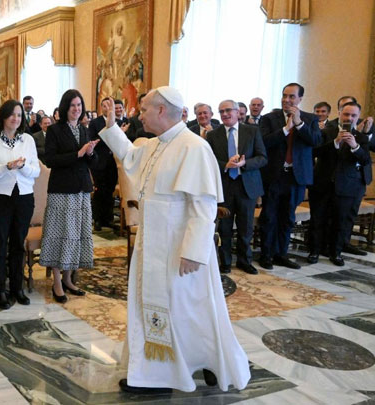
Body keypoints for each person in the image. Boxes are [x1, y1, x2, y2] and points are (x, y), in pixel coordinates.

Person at [97, 88, 250, 394]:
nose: (139, 115)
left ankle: (194, 365)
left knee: (187, 309)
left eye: (144, 110)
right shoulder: (156, 144)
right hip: (155, 241)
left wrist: (193, 251)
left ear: (161, 110)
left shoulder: (194, 147)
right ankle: (168, 370)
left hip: (180, 247)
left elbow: (203, 205)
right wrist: (111, 126)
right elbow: (130, 157)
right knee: (169, 308)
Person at [40, 89, 98, 302]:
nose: (76, 109)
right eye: (73, 105)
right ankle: (56, 282)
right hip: (62, 190)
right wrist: (78, 153)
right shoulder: (55, 130)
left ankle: (68, 279)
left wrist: (90, 153)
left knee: (75, 236)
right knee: (59, 235)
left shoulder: (84, 130)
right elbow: (51, 160)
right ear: (65, 107)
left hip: (81, 189)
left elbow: (93, 162)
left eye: (79, 105)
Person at [0, 100, 40, 309]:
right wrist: (7, 166)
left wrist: (22, 167)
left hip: (24, 197)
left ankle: (17, 287)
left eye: (19, 115)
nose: (16, 118)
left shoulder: (28, 140)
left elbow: (36, 171)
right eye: (12, 114)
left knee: (18, 244)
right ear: (3, 117)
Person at [258, 83, 321, 270]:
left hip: (296, 177)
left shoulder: (310, 119)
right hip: (274, 175)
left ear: (300, 99)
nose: (286, 100)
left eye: (291, 96)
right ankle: (266, 255)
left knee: (287, 218)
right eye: (284, 95)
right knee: (269, 217)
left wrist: (299, 124)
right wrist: (285, 129)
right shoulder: (269, 118)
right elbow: (263, 143)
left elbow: (316, 141)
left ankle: (281, 254)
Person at [206, 100, 267, 275]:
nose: (225, 114)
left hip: (246, 186)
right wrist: (226, 165)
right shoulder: (213, 135)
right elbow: (209, 160)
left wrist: (244, 163)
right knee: (224, 228)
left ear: (237, 112)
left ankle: (244, 261)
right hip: (224, 186)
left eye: (228, 110)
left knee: (245, 227)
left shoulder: (252, 131)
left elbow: (262, 158)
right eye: (221, 111)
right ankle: (225, 262)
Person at [308, 102, 371, 265]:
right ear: (339, 114)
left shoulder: (361, 137)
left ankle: (335, 253)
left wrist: (355, 146)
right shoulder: (326, 132)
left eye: (353, 115)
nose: (349, 118)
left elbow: (365, 160)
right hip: (322, 184)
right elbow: (313, 152)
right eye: (346, 114)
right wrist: (335, 142)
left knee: (340, 221)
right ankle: (314, 251)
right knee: (317, 220)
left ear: (358, 117)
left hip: (346, 186)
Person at [89, 98, 128, 231]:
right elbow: (93, 139)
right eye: (105, 106)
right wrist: (109, 134)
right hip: (100, 161)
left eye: (109, 105)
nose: (108, 108)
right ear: (101, 107)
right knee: (100, 190)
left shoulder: (120, 122)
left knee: (110, 190)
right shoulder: (95, 122)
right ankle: (98, 219)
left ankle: (108, 219)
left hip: (114, 161)